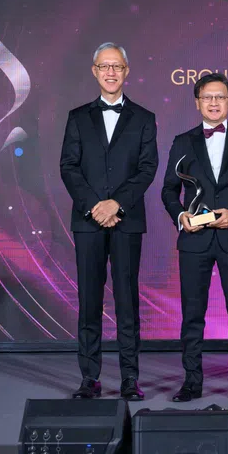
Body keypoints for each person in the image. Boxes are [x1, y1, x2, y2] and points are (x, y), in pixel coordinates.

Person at [160, 73, 228, 402]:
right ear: (197, 102)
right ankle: (191, 382)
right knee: (192, 314)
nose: (213, 103)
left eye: (220, 97)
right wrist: (181, 216)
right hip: (194, 239)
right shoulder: (183, 141)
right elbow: (168, 190)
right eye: (207, 97)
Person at [59, 42, 158, 400]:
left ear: (126, 71)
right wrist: (95, 207)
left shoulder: (144, 118)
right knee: (89, 299)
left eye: (117, 66)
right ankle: (90, 377)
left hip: (126, 221)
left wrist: (116, 204)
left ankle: (130, 377)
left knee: (127, 300)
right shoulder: (77, 117)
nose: (111, 72)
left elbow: (147, 168)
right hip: (88, 222)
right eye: (105, 66)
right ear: (95, 71)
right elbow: (68, 167)